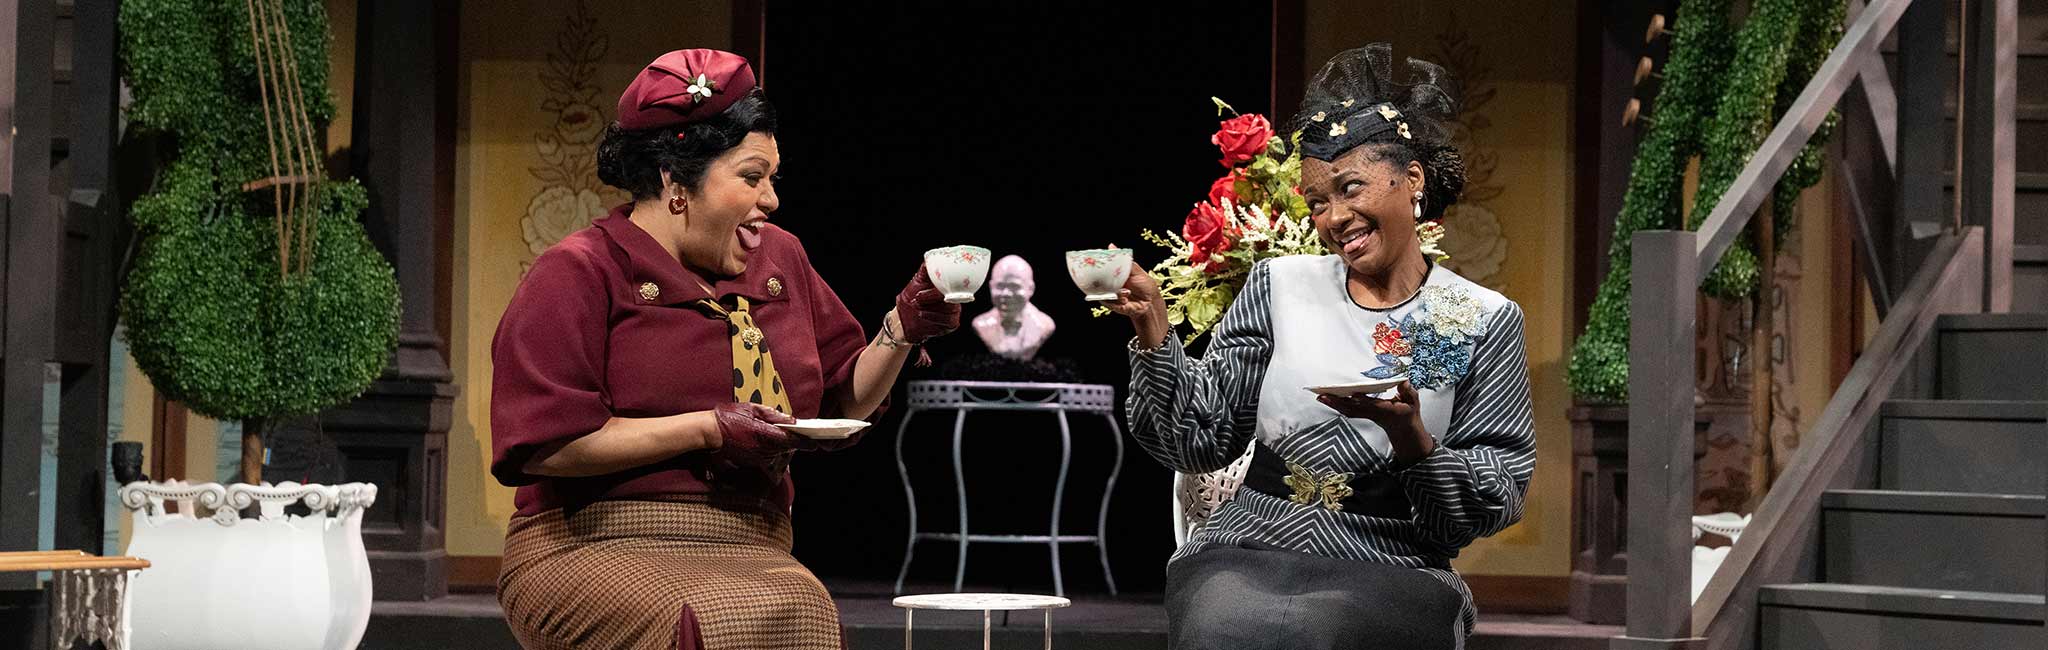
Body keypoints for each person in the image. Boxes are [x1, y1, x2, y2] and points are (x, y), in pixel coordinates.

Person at [488, 49, 961, 650]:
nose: (771, 199)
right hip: (588, 538)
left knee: (806, 611)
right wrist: (708, 429)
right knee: (696, 620)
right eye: (751, 176)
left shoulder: (780, 257)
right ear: (675, 180)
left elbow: (842, 402)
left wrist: (900, 329)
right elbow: (546, 447)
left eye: (773, 179)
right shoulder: (580, 271)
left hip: (750, 540)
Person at [1106, 44, 1535, 649]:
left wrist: (1411, 436)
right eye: (1317, 202)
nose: (1334, 217)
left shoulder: (1477, 317)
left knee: (1327, 628)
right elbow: (1198, 437)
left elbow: (1493, 490)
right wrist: (1153, 327)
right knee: (1222, 623)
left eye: (1351, 188)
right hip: (1252, 541)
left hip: (1392, 555)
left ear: (1411, 181)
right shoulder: (1280, 285)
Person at [971, 254, 1056, 360]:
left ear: (1031, 289)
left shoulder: (1044, 324)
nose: (1006, 294)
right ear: (990, 287)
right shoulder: (981, 324)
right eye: (1000, 286)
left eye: (1015, 286)